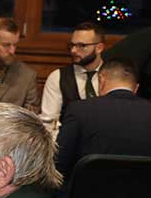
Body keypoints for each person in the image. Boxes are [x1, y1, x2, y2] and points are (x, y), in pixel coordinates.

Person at [56, 58, 151, 187]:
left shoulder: (79, 110)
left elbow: (59, 163)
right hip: (143, 195)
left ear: (101, 80)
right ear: (136, 88)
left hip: (86, 195)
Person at [39, 22, 105, 129]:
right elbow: (48, 123)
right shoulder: (58, 77)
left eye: (81, 46)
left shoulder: (113, 75)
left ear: (99, 48)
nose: (73, 50)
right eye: (72, 45)